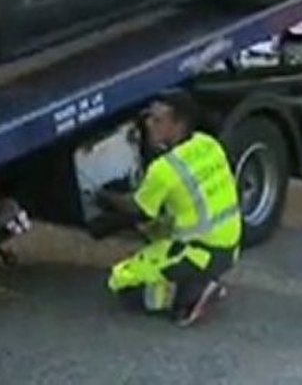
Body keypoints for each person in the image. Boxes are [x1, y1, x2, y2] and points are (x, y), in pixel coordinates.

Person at [95, 90, 242, 327]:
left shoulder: (165, 169)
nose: (149, 125)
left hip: (199, 253)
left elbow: (138, 210)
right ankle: (198, 280)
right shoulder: (208, 143)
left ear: (178, 124)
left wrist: (105, 198)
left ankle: (189, 296)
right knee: (153, 227)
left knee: (122, 282)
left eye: (157, 120)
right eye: (149, 118)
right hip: (229, 246)